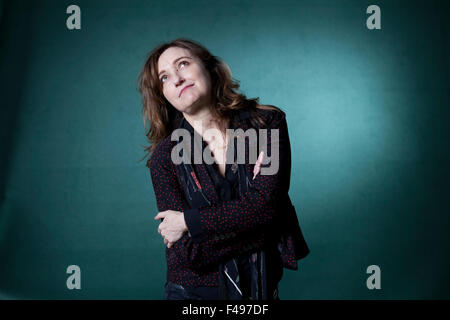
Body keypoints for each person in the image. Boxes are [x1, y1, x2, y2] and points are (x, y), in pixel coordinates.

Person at [138, 38, 309, 300]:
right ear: (164, 96)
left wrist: (189, 221)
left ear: (210, 68)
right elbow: (188, 253)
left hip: (260, 288)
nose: (177, 79)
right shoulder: (164, 157)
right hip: (193, 294)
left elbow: (266, 208)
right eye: (164, 78)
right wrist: (263, 223)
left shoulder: (266, 125)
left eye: (183, 64)